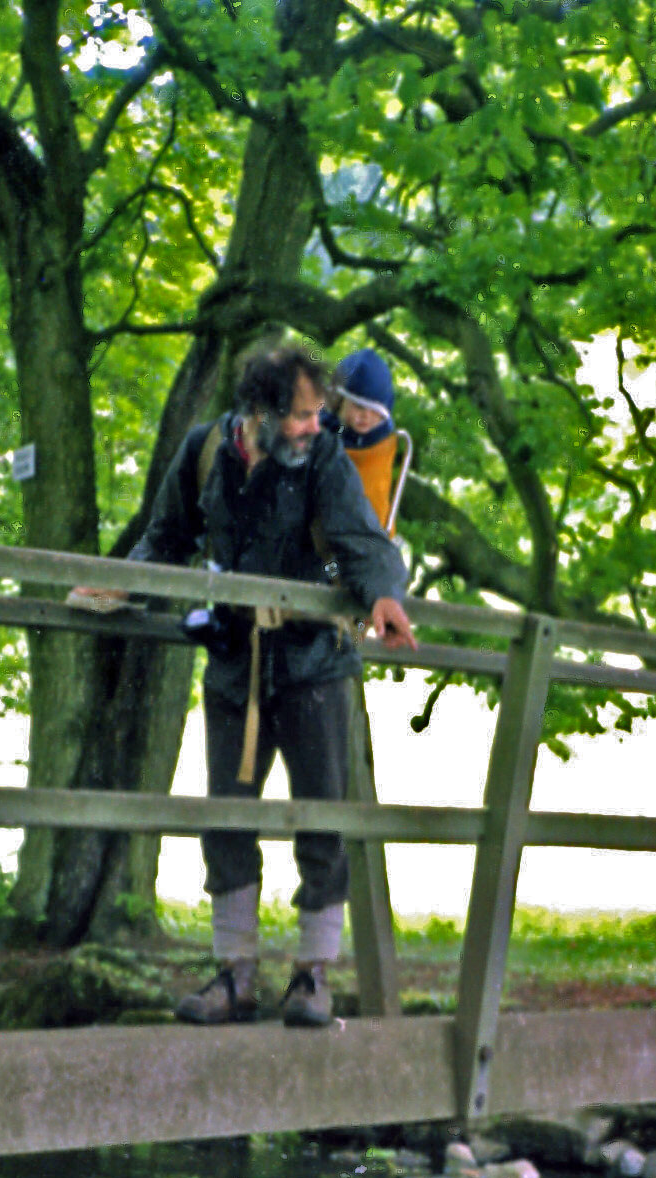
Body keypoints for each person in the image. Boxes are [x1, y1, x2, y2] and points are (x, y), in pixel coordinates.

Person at [129, 342, 417, 1027]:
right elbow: (164, 536)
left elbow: (365, 542)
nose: (317, 425)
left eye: (320, 413)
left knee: (321, 821)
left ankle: (313, 976)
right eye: (302, 415)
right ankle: (235, 975)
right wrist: (117, 585)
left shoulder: (323, 458)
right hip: (235, 663)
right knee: (226, 820)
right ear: (258, 412)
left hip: (315, 664)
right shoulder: (206, 452)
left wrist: (384, 595)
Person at [324, 348, 411, 534]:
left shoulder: (381, 444)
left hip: (369, 533)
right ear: (340, 401)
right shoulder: (321, 431)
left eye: (375, 411)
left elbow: (375, 495)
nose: (366, 416)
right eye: (358, 407)